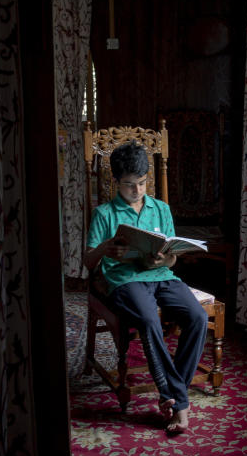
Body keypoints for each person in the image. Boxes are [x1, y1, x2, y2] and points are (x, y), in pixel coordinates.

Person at [84, 141, 208, 434]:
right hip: (125, 281)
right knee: (149, 319)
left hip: (161, 275)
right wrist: (105, 247)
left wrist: (166, 257)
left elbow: (173, 256)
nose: (137, 191)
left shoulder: (161, 208)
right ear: (116, 181)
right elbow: (89, 263)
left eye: (142, 183)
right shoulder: (104, 214)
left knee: (198, 317)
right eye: (129, 185)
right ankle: (178, 401)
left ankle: (173, 394)